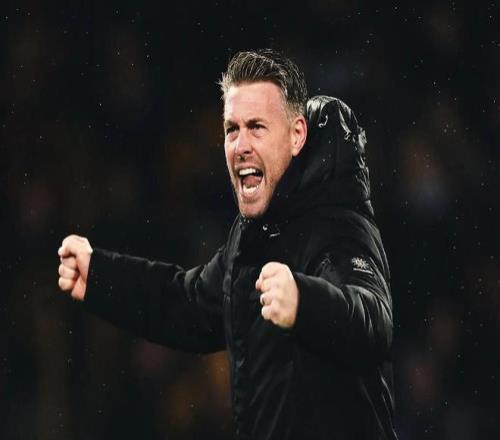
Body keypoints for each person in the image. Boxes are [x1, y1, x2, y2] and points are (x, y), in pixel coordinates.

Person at [57, 49, 398, 440]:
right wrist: (101, 276)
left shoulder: (337, 224)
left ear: (296, 135)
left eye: (256, 127)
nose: (240, 145)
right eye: (231, 129)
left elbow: (373, 322)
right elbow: (188, 306)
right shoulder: (252, 235)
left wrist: (305, 301)